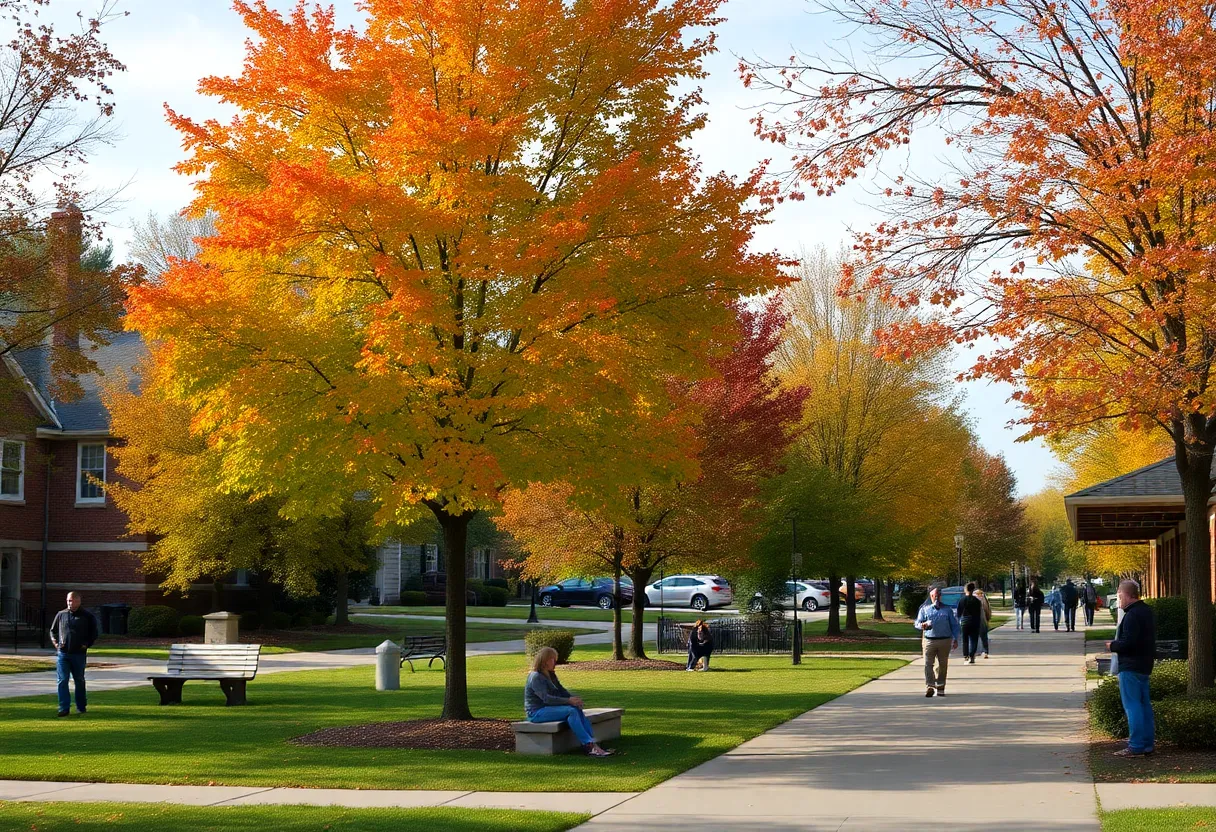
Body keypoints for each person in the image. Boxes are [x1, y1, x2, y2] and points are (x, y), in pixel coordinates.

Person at [525, 646, 613, 757]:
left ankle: (592, 744)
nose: (555, 662)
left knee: (576, 708)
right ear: (545, 661)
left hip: (549, 709)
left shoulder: (551, 675)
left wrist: (574, 699)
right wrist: (568, 701)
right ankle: (589, 746)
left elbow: (561, 690)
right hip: (536, 713)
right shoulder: (536, 677)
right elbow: (546, 699)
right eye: (553, 659)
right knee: (571, 711)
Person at [1108, 579, 1156, 757]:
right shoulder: (1146, 611)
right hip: (1144, 665)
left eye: (1119, 595)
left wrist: (1112, 646)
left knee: (1132, 705)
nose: (1118, 599)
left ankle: (1136, 745)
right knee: (1144, 705)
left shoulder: (1132, 615)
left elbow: (1129, 642)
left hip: (1131, 666)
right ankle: (1147, 744)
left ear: (1126, 594)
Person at [48, 591, 98, 717]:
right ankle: (64, 708)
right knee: (62, 680)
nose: (69, 603)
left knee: (79, 680)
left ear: (78, 601)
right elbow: (53, 631)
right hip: (63, 654)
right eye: (68, 601)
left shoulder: (87, 616)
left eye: (72, 600)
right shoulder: (61, 614)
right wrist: (55, 643)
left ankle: (81, 706)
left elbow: (94, 634)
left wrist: (86, 645)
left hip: (79, 654)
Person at [914, 586, 959, 697]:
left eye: (938, 595)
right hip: (929, 640)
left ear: (941, 596)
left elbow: (954, 625)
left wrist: (955, 638)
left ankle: (940, 685)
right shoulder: (925, 609)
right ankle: (930, 685)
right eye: (934, 595)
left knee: (942, 664)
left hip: (945, 640)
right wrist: (922, 625)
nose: (937, 597)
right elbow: (917, 623)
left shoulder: (947, 610)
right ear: (931, 596)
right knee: (928, 664)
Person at [956, 582, 984, 664]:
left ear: (966, 590)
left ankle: (966, 655)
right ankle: (972, 656)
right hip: (975, 622)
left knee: (965, 640)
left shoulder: (962, 600)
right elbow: (979, 613)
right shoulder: (977, 601)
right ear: (973, 590)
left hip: (965, 622)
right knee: (974, 640)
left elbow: (958, 613)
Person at [974, 588, 993, 658]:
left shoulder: (974, 601)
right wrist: (987, 619)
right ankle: (985, 652)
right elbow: (988, 611)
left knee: (975, 638)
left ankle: (976, 651)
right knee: (984, 637)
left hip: (976, 622)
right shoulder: (984, 601)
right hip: (983, 621)